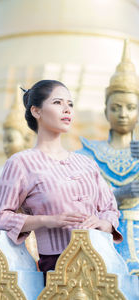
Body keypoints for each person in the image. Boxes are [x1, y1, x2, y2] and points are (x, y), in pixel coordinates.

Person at [0, 79, 122, 283]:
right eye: (58, 103)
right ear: (36, 111)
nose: (67, 109)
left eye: (70, 104)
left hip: (104, 260)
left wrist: (104, 223)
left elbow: (110, 208)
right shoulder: (21, 163)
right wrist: (47, 221)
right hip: (58, 266)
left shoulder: (87, 163)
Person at [77, 40, 139, 275]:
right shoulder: (88, 155)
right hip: (104, 240)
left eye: (131, 108)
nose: (123, 114)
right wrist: (117, 195)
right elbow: (77, 201)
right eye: (116, 108)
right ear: (105, 111)